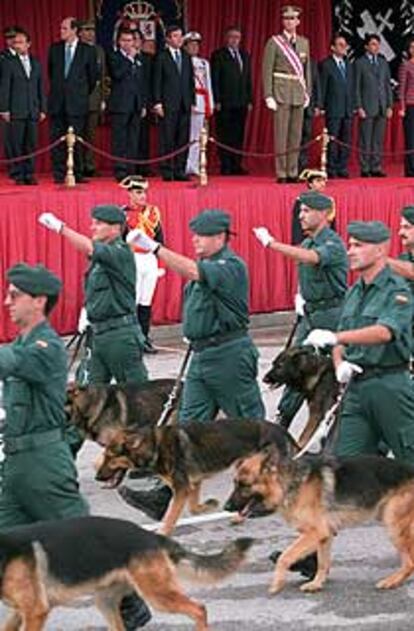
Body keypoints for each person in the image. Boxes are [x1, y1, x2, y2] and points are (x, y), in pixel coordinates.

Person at [127, 208, 265, 421]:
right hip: (201, 355)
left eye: (201, 235)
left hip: (228, 354)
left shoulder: (231, 265)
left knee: (248, 424)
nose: (194, 240)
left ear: (220, 237)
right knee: (189, 425)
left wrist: (155, 248)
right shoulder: (205, 264)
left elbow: (192, 272)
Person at [305, 220, 414, 462]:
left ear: (380, 250)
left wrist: (336, 337)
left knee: (409, 458)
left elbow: (385, 331)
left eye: (359, 245)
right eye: (350, 244)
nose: (350, 251)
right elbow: (341, 337)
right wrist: (338, 364)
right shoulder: (354, 292)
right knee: (346, 467)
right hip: (356, 388)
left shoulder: (398, 291)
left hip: (390, 386)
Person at [253, 191, 348, 429]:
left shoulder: (332, 243)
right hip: (310, 313)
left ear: (325, 214)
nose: (301, 216)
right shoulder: (307, 241)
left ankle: (335, 422)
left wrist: (272, 244)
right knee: (295, 367)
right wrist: (300, 295)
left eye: (307, 211)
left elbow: (312, 258)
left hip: (331, 314)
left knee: (335, 372)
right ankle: (283, 419)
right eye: (300, 211)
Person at [38, 205, 147, 385]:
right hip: (97, 334)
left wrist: (61, 228)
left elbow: (90, 248)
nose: (92, 227)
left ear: (115, 228)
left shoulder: (120, 252)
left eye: (98, 223)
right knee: (85, 392)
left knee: (136, 395)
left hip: (120, 335)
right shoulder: (100, 260)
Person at [262, 5, 311, 183]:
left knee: (295, 135)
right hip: (281, 91)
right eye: (286, 18)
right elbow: (266, 69)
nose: (290, 22)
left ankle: (292, 170)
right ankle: (281, 172)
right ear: (283, 21)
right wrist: (268, 94)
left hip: (298, 91)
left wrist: (308, 93)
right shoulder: (274, 42)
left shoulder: (304, 42)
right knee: (281, 134)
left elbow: (307, 71)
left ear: (298, 21)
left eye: (293, 18)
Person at [47, 17, 98, 184]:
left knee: (77, 139)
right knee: (57, 139)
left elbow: (92, 78)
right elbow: (51, 73)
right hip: (57, 102)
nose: (61, 31)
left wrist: (79, 93)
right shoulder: (54, 49)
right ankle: (59, 173)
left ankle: (77, 172)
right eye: (61, 28)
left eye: (64, 28)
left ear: (74, 30)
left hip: (77, 103)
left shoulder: (88, 51)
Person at [121, 175, 164, 354]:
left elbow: (160, 238)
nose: (143, 196)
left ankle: (144, 337)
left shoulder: (153, 212)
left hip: (149, 259)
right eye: (138, 192)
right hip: (133, 258)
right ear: (130, 194)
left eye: (144, 192)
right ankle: (132, 338)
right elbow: (121, 241)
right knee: (134, 299)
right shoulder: (123, 214)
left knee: (146, 300)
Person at [0, 28, 46, 185]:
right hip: (16, 110)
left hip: (32, 110)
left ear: (28, 44)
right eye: (15, 42)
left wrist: (42, 108)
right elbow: (5, 87)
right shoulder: (8, 63)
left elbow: (41, 87)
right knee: (16, 143)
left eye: (20, 42)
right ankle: (18, 174)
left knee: (31, 144)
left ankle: (29, 173)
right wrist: (4, 109)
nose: (16, 45)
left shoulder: (36, 63)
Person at [107, 28, 149, 182]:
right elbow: (117, 74)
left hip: (136, 105)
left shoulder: (139, 59)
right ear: (119, 42)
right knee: (120, 139)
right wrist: (129, 59)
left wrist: (143, 104)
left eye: (130, 40)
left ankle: (132, 169)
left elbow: (141, 83)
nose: (127, 43)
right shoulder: (114, 56)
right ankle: (120, 170)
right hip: (120, 105)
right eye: (124, 40)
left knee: (134, 139)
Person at [153, 25, 194, 181]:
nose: (179, 39)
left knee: (183, 138)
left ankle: (180, 169)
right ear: (168, 39)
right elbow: (156, 81)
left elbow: (190, 80)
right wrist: (157, 103)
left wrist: (191, 100)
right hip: (168, 104)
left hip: (184, 104)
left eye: (180, 35)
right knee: (167, 138)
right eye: (175, 36)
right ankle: (167, 169)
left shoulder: (186, 56)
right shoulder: (161, 57)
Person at [211, 26, 253, 176]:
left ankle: (237, 164)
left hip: (241, 102)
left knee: (238, 135)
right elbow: (214, 79)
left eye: (237, 37)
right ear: (226, 38)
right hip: (224, 102)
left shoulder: (244, 55)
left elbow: (248, 79)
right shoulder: (218, 55)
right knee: (225, 134)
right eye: (232, 37)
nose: (235, 40)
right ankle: (226, 165)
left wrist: (249, 99)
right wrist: (216, 100)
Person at [355, 33, 393, 178]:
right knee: (366, 139)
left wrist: (389, 105)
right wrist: (359, 106)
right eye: (372, 44)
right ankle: (365, 168)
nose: (375, 47)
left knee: (378, 139)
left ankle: (376, 166)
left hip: (382, 106)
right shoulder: (360, 63)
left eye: (377, 44)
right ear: (366, 46)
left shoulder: (383, 62)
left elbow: (387, 85)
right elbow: (356, 87)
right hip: (367, 106)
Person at [319, 33, 355, 178]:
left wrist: (354, 105)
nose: (343, 47)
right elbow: (322, 87)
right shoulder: (326, 64)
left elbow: (352, 87)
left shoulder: (348, 64)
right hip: (333, 108)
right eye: (340, 44)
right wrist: (320, 105)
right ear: (332, 47)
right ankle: (332, 168)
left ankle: (342, 167)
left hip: (347, 108)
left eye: (345, 45)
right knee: (333, 140)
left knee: (345, 140)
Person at [78, 19, 106, 178]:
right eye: (86, 30)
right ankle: (77, 165)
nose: (90, 34)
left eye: (92, 30)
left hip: (94, 99)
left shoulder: (99, 50)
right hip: (78, 100)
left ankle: (89, 165)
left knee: (90, 135)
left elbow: (103, 76)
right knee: (77, 134)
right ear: (79, 33)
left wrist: (103, 98)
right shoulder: (77, 50)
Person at [183, 31, 214, 176]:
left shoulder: (204, 63)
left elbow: (208, 85)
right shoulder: (183, 61)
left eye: (196, 45)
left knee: (197, 136)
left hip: (201, 101)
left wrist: (210, 104)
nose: (194, 47)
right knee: (185, 136)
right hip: (187, 101)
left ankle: (194, 165)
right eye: (191, 45)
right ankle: (183, 164)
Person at [0, 25, 19, 181]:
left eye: (14, 37)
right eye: (8, 38)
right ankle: (14, 169)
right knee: (9, 138)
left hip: (23, 104)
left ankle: (24, 168)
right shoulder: (2, 57)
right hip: (7, 104)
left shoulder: (24, 56)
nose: (11, 40)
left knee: (23, 139)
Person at [291, 169, 328, 244]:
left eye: (323, 181)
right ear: (310, 184)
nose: (322, 184)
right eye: (318, 181)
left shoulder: (327, 201)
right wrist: (298, 243)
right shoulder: (302, 201)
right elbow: (297, 225)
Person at [298, 58, 321, 173]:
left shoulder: (312, 64)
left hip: (309, 107)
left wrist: (317, 105)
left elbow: (317, 84)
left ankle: (303, 165)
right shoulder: (290, 60)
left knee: (306, 136)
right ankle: (292, 166)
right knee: (293, 137)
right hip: (295, 106)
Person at [398, 37, 414, 177]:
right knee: (411, 139)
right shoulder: (406, 65)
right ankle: (410, 169)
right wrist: (402, 107)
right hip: (410, 106)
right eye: (413, 47)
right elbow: (402, 89)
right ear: (409, 50)